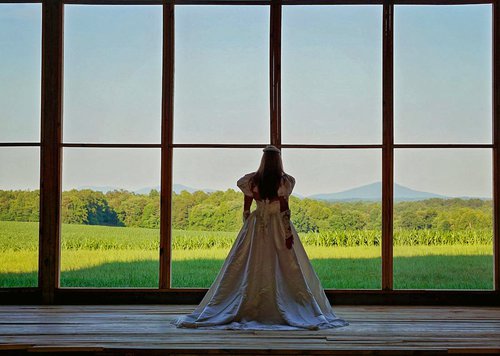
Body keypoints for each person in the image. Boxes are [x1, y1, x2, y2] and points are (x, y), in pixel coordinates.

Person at [170, 145, 348, 330]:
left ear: (263, 160)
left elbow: (246, 208)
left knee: (249, 262)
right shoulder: (284, 181)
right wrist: (287, 233)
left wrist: (248, 225)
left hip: (256, 226)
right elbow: (285, 209)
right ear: (278, 161)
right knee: (285, 264)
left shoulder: (253, 180)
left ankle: (246, 301)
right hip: (278, 225)